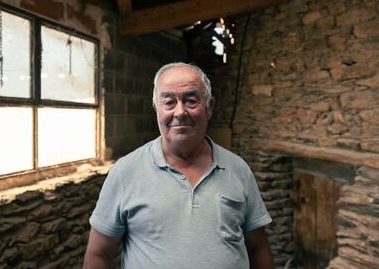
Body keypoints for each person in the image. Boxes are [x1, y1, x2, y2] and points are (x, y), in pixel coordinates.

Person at [83, 62, 274, 269]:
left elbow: (258, 248)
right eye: (169, 102)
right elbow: (98, 254)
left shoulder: (238, 169)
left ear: (209, 107)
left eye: (191, 101)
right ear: (156, 108)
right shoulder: (125, 172)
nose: (180, 112)